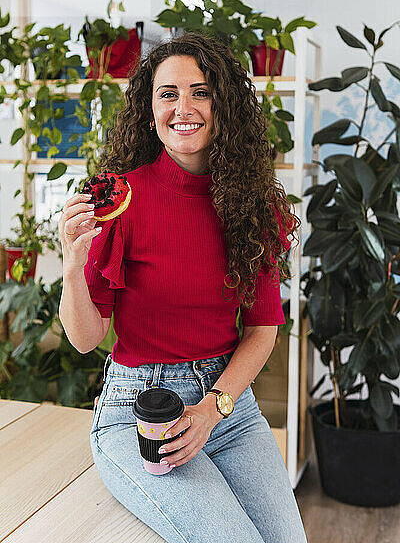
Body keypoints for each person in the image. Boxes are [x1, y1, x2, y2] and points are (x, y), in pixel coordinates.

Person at [58, 31, 307, 543]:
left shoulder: (250, 206)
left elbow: (262, 330)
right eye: (168, 94)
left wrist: (212, 409)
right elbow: (85, 338)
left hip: (227, 407)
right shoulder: (122, 200)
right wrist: (72, 260)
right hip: (140, 413)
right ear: (150, 114)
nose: (184, 107)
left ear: (223, 106)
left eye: (200, 91)